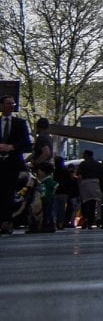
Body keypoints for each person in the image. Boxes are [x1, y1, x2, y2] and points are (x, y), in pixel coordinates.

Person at [0, 95, 31, 235]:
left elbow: (26, 143)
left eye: (13, 104)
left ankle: (7, 221)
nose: (11, 106)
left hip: (12, 164)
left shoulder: (19, 123)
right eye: (8, 103)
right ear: (2, 105)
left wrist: (12, 147)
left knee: (8, 193)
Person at [75, 149, 103, 228]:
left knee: (84, 203)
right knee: (93, 204)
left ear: (86, 155)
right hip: (95, 184)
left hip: (85, 184)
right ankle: (90, 222)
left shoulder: (83, 164)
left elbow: (79, 176)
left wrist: (79, 185)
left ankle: (85, 219)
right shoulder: (98, 164)